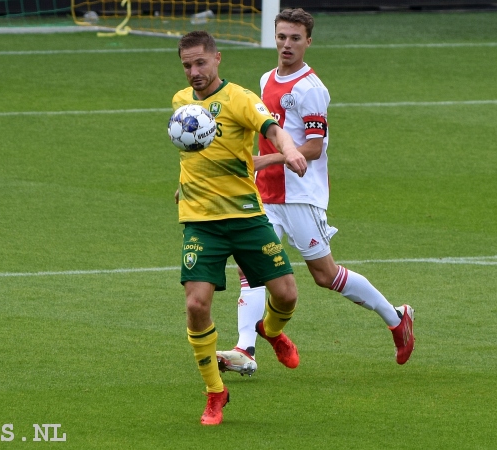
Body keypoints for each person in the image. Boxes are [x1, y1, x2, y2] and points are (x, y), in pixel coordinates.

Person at [215, 8, 414, 377]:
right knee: (251, 269)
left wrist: (262, 160)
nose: (286, 44)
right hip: (265, 195)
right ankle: (245, 348)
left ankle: (397, 317)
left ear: (308, 41)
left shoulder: (310, 89)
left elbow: (314, 148)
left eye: (294, 38)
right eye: (281, 37)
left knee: (325, 275)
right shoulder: (266, 78)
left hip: (301, 195)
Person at [172, 30, 309, 426]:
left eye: (200, 62)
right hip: (201, 222)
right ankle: (216, 392)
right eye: (186, 65)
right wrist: (182, 186)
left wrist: (289, 149)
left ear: (217, 59)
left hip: (247, 216)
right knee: (196, 305)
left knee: (286, 295)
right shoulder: (181, 103)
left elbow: (272, 130)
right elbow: (195, 154)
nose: (194, 72)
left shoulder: (241, 99)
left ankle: (270, 330)